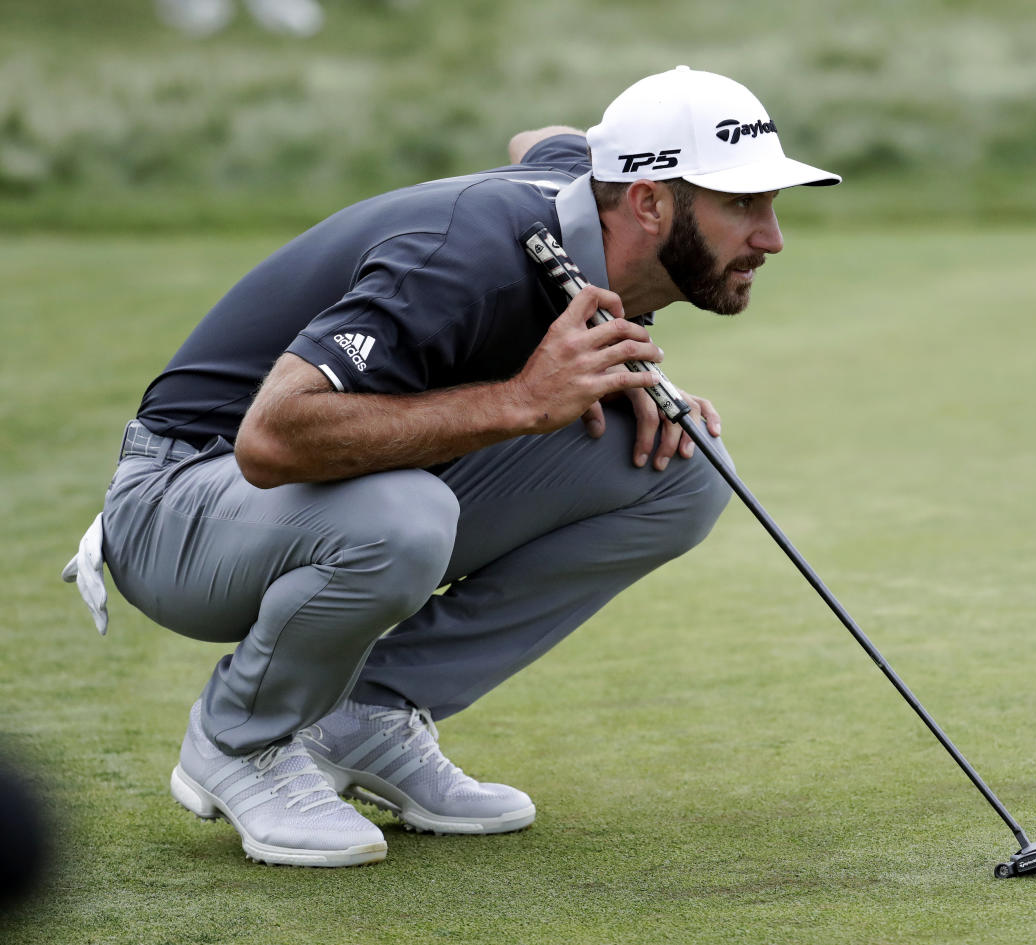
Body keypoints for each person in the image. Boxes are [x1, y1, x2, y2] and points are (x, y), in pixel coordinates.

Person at [62, 65, 840, 867]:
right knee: (406, 516)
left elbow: (538, 141)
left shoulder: (590, 186)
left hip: (300, 490)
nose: (772, 236)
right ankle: (238, 739)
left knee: (687, 464)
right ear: (647, 203)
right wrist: (523, 402)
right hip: (178, 504)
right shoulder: (458, 255)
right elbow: (271, 440)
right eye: (741, 204)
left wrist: (616, 365)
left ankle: (367, 712)